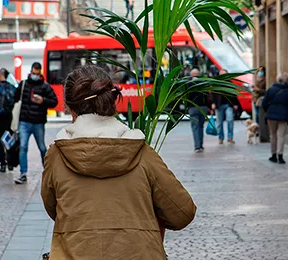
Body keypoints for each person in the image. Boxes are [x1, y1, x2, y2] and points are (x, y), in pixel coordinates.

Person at [41, 65, 196, 259]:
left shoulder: (57, 156)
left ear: (69, 108)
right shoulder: (141, 152)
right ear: (112, 100)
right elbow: (182, 213)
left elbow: (53, 208)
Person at [14, 62, 58, 184]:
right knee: (23, 146)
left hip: (38, 122)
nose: (35, 75)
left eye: (37, 74)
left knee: (42, 147)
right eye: (33, 73)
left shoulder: (45, 86)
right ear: (31, 72)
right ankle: (23, 173)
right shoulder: (24, 84)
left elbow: (54, 101)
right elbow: (15, 98)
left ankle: (48, 172)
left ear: (40, 73)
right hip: (24, 121)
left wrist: (43, 100)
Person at [262, 72, 288, 165]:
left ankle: (273, 155)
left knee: (273, 135)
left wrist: (268, 111)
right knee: (281, 136)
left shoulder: (270, 90)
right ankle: (280, 155)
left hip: (271, 116)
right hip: (283, 116)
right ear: (287, 81)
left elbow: (264, 103)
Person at [212, 69, 239, 145]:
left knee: (230, 120)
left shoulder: (230, 83)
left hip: (228, 104)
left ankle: (230, 137)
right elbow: (212, 94)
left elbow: (234, 94)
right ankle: (221, 138)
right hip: (219, 105)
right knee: (219, 123)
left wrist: (235, 104)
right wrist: (213, 103)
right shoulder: (216, 84)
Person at [188, 68, 212, 153]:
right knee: (201, 126)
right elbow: (208, 96)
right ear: (199, 75)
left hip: (193, 108)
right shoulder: (203, 83)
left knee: (195, 127)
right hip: (203, 108)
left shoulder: (188, 84)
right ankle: (201, 145)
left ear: (191, 75)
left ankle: (197, 146)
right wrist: (209, 107)